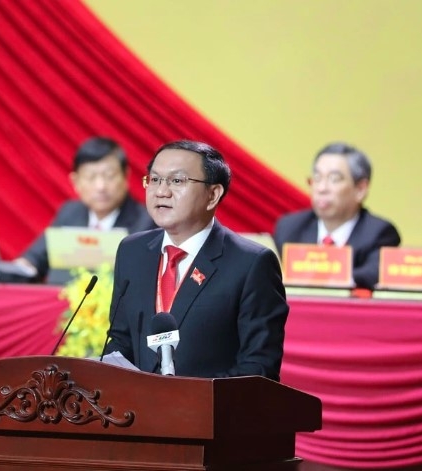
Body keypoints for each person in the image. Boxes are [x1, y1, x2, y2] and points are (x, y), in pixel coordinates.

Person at [102, 140, 288, 381]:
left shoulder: (252, 264)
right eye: (155, 179)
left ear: (213, 195)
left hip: (210, 413)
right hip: (137, 413)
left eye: (177, 181)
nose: (161, 191)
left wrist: (190, 399)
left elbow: (259, 368)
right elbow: (120, 341)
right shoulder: (132, 251)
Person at [16, 136, 155, 283]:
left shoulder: (146, 222)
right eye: (90, 177)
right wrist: (14, 270)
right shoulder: (70, 212)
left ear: (126, 176)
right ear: (76, 182)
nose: (100, 186)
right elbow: (33, 260)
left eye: (109, 176)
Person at [272, 142, 400, 289]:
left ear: (360, 189)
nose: (321, 188)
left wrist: (320, 275)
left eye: (334, 179)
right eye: (317, 178)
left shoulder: (379, 233)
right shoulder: (290, 228)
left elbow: (372, 274)